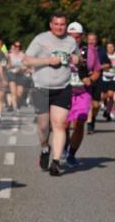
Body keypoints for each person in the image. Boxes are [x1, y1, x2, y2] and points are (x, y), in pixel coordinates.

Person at [25, 11, 79, 177]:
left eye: (62, 24)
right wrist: (47, 60)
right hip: (41, 87)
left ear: (66, 25)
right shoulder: (41, 39)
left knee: (59, 124)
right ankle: (44, 148)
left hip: (62, 87)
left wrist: (76, 60)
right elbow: (26, 60)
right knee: (43, 126)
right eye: (56, 24)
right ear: (51, 25)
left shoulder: (70, 41)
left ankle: (56, 162)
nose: (59, 27)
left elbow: (76, 57)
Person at [63, 22, 101, 167]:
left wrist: (90, 79)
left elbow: (97, 70)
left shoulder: (90, 51)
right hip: (64, 91)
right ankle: (63, 147)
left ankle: (71, 154)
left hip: (83, 92)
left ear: (82, 36)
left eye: (77, 37)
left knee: (79, 124)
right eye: (71, 36)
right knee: (63, 125)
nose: (74, 39)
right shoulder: (60, 49)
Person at [86, 32, 108, 133]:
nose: (91, 41)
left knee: (96, 105)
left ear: (96, 40)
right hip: (86, 79)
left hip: (98, 79)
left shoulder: (102, 52)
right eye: (89, 39)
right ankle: (89, 124)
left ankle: (93, 119)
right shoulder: (83, 50)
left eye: (93, 39)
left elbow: (108, 64)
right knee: (89, 103)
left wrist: (98, 67)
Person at [98, 41, 115, 121]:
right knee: (102, 96)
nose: (110, 49)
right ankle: (103, 105)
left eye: (111, 47)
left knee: (111, 95)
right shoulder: (103, 55)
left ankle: (108, 111)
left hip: (114, 77)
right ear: (106, 48)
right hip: (104, 77)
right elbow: (98, 65)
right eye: (108, 47)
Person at [6, 40, 28, 112]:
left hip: (20, 74)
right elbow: (5, 66)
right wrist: (9, 65)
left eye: (19, 46)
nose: (17, 48)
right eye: (16, 46)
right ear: (13, 46)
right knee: (13, 92)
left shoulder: (23, 55)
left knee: (20, 93)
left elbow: (26, 66)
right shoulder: (9, 55)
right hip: (11, 73)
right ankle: (15, 108)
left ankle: (15, 104)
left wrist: (21, 68)